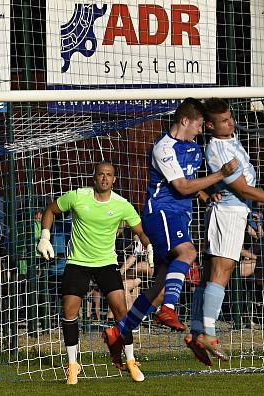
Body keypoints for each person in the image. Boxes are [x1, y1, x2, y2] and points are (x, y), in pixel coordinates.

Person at [102, 98, 238, 367]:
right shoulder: (163, 147)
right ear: (185, 121)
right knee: (188, 252)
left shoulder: (194, 150)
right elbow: (181, 186)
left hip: (179, 216)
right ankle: (168, 310)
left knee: (160, 287)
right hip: (160, 213)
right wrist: (219, 175)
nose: (201, 130)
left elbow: (189, 184)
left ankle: (119, 331)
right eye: (199, 124)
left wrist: (204, 195)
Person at [184, 96, 264, 364]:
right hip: (228, 213)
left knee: (213, 273)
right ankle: (208, 334)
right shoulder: (217, 149)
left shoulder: (230, 140)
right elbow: (243, 189)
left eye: (230, 117)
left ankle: (197, 331)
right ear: (209, 126)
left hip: (234, 212)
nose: (230, 123)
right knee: (222, 272)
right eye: (223, 121)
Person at [37, 162, 151, 384]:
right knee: (69, 310)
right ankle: (72, 365)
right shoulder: (78, 196)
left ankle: (130, 360)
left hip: (106, 263)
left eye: (109, 175)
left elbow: (140, 231)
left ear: (114, 179)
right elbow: (51, 210)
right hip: (77, 262)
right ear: (94, 177)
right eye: (101, 174)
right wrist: (44, 237)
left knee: (121, 310)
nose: (105, 178)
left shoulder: (122, 205)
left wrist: (149, 246)